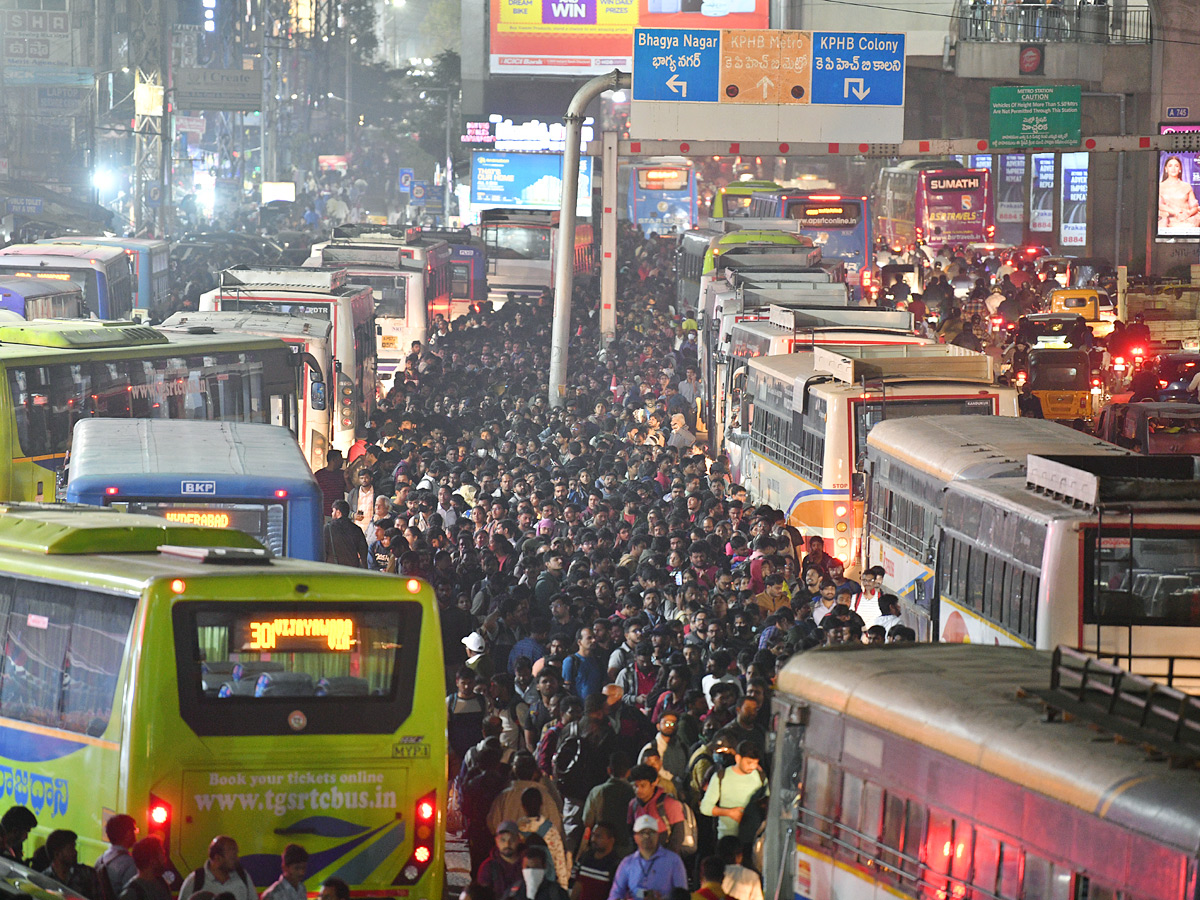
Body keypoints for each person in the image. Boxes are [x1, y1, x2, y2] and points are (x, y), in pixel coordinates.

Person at [698, 742, 768, 850]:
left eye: (755, 763)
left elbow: (768, 801)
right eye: (749, 762)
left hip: (753, 840)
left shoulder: (760, 777)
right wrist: (729, 813)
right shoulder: (721, 777)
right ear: (738, 758)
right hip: (727, 841)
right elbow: (705, 807)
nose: (753, 766)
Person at [606, 815, 688, 900]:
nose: (647, 836)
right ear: (635, 837)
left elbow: (682, 895)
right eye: (642, 832)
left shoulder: (673, 860)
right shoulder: (627, 862)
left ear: (657, 835)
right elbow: (615, 894)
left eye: (651, 832)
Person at [627, 764, 686, 856]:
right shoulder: (633, 805)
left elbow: (677, 837)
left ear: (654, 783)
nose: (638, 790)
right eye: (635, 786)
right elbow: (630, 833)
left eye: (643, 786)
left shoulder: (669, 804)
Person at [177, 836, 257, 900]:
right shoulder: (196, 880)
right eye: (232, 857)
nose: (237, 859)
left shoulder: (243, 876)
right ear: (217, 858)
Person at [42, 829, 102, 900]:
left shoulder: (87, 874)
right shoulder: (44, 880)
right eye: (71, 848)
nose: (75, 852)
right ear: (57, 854)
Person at [570, 822, 621, 900]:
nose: (593, 839)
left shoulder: (616, 865)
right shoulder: (584, 858)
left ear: (611, 840)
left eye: (598, 836)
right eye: (593, 835)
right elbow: (577, 885)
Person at [95, 814, 139, 900]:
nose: (136, 834)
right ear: (128, 834)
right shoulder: (130, 864)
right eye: (135, 830)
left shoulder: (100, 860)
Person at [477, 821, 523, 899]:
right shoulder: (488, 867)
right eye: (503, 840)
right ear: (496, 841)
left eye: (512, 839)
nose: (507, 844)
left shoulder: (529, 864)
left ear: (519, 840)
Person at [505, 845, 570, 900]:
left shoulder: (556, 893)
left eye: (536, 867)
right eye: (528, 868)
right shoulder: (514, 892)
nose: (531, 872)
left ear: (544, 867)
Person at [1158, 155, 1200, 231]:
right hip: (1168, 219)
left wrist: (1188, 214)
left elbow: (1194, 207)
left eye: (1176, 166)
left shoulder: (1187, 186)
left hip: (1186, 219)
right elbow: (1160, 205)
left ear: (1180, 169)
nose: (1173, 169)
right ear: (1166, 169)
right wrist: (1176, 212)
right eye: (1170, 166)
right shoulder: (1160, 186)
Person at [323, 499, 369, 567]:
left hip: (333, 569)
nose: (332, 514)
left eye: (333, 511)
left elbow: (323, 551)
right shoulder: (356, 529)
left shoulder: (328, 528)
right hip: (352, 569)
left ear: (338, 512)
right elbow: (364, 552)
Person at [313, 449, 347, 518]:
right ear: (334, 460)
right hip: (324, 513)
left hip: (339, 514)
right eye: (340, 459)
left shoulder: (342, 474)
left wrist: (347, 479)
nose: (342, 461)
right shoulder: (319, 475)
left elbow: (350, 490)